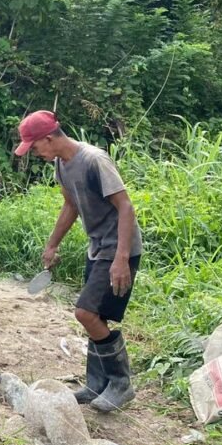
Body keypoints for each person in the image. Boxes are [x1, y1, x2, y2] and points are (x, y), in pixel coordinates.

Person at [14, 109, 142, 413]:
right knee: (95, 315)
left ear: (49, 138)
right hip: (97, 247)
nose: (35, 153)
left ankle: (121, 383)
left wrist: (121, 258)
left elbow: (125, 207)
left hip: (118, 247)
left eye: (34, 147)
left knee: (85, 312)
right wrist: (52, 244)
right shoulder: (61, 164)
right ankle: (96, 383)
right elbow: (70, 206)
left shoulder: (94, 160)